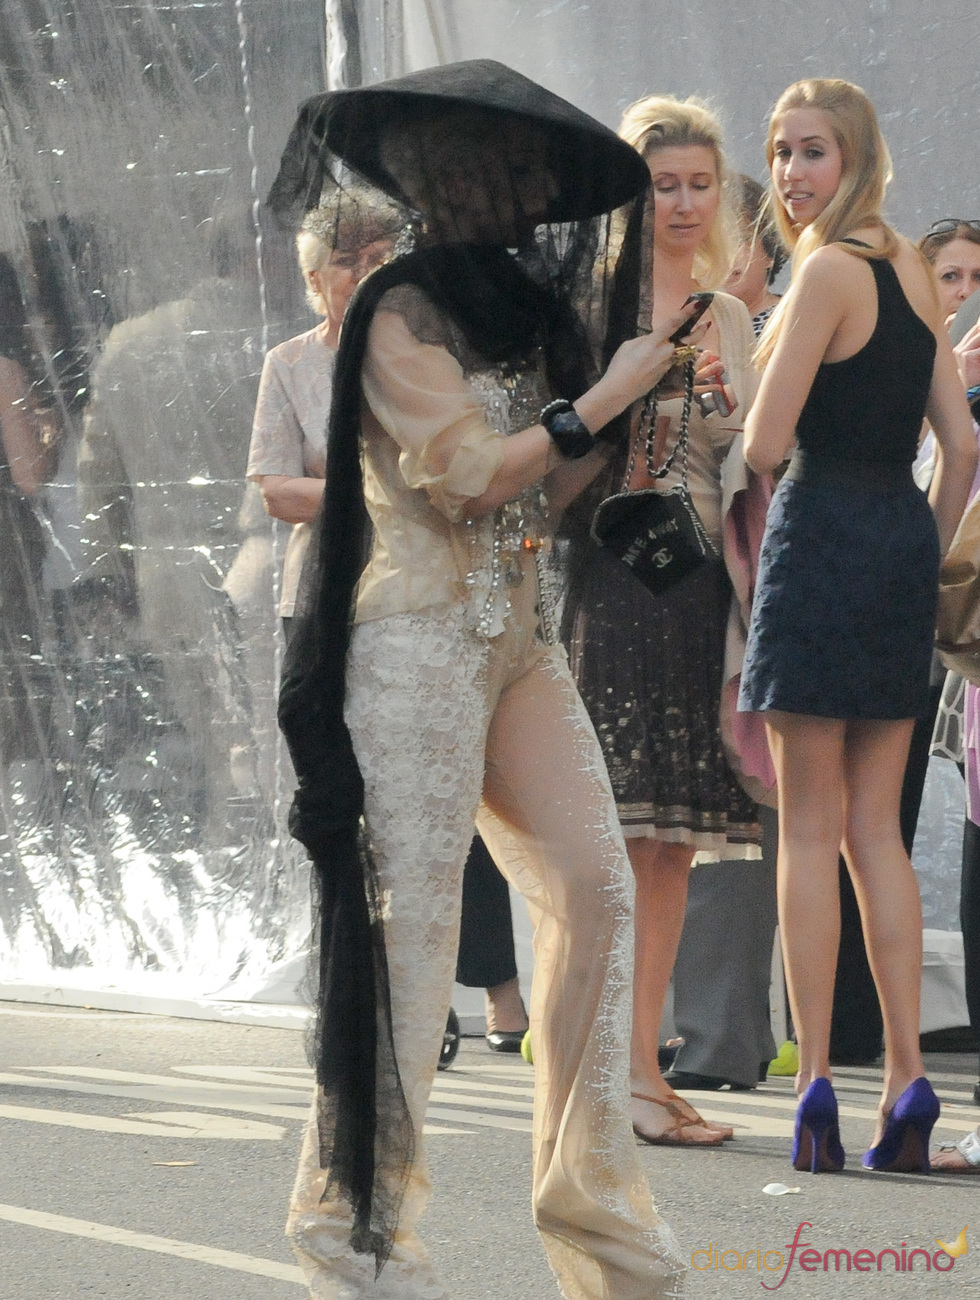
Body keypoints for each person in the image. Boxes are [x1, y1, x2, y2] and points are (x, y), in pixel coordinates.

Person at [269, 60, 694, 1298]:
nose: (515, 189)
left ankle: (595, 1215)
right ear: (428, 174)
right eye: (489, 166)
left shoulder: (520, 310)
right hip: (406, 644)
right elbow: (465, 478)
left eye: (528, 172)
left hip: (513, 641)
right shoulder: (397, 310)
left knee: (595, 887)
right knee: (414, 935)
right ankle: (354, 1236)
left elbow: (545, 497)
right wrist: (601, 397)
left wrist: (631, 421)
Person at [737, 77, 977, 1174]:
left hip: (821, 529)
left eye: (812, 152)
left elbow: (760, 442)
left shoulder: (827, 270)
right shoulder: (914, 273)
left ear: (856, 157)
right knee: (873, 832)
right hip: (891, 540)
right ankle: (905, 1080)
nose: (790, 173)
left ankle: (818, 1087)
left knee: (807, 831)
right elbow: (962, 448)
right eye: (781, 152)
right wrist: (917, 546)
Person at [246, 190, 528, 1055]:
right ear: (310, 279)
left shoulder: (423, 354)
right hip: (329, 597)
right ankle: (382, 997)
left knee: (454, 809)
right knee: (347, 803)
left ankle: (498, 995)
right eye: (343, 258)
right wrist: (378, 486)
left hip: (432, 600)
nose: (362, 271)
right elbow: (274, 485)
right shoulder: (292, 363)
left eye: (377, 254)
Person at [563, 94, 761, 1141]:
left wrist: (735, 415)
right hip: (613, 573)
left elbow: (743, 456)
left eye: (697, 184)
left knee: (672, 845)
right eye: (662, 184)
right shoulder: (595, 299)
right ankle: (615, 1072)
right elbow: (560, 438)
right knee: (611, 835)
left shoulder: (729, 312)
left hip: (697, 583)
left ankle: (644, 1068)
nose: (681, 203)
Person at [724, 173, 785, 333]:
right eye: (711, 242)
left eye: (740, 239)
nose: (726, 253)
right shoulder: (684, 329)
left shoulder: (791, 322)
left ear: (770, 251)